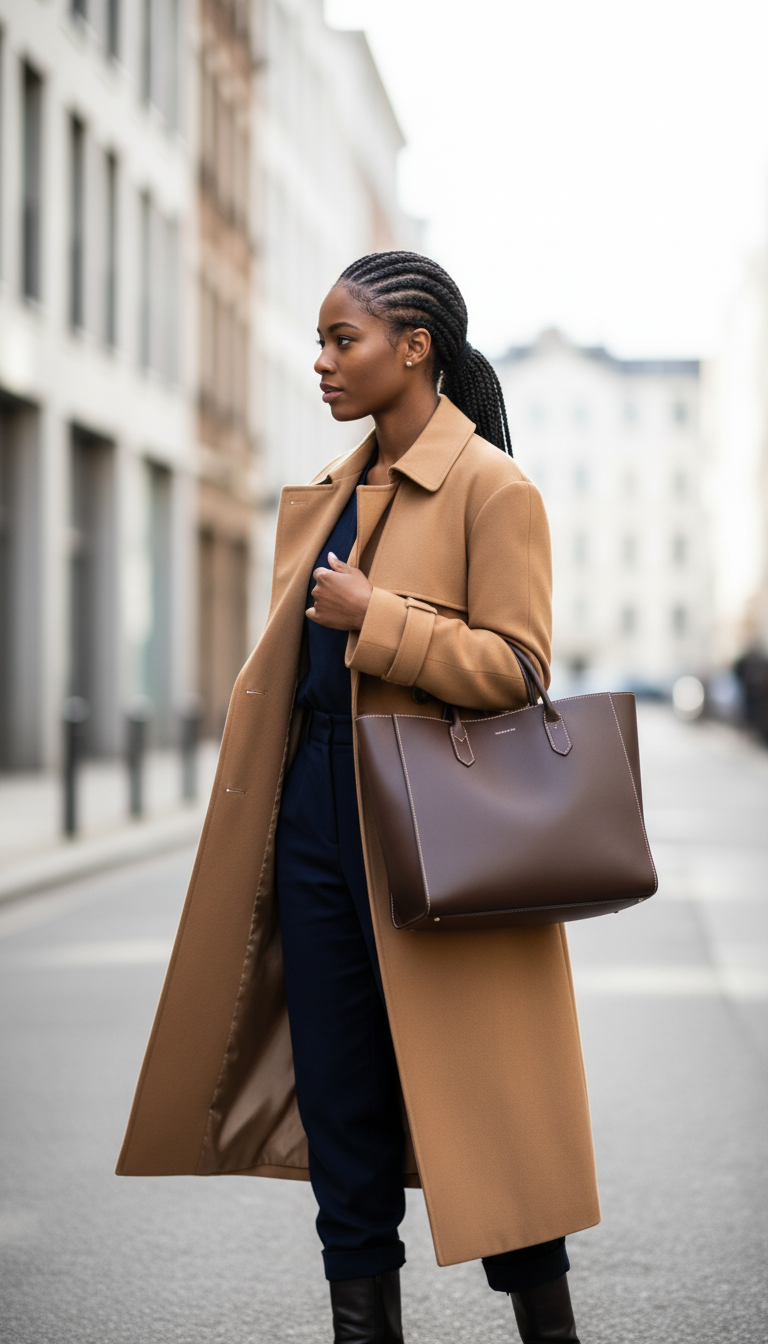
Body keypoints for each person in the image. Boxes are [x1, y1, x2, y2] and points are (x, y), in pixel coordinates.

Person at [117, 252, 600, 1343]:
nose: (323, 362)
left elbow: (519, 670)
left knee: (487, 1109)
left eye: (345, 339)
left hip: (438, 824)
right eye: (324, 340)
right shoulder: (335, 490)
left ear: (415, 347)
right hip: (317, 821)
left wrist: (379, 617)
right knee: (342, 1101)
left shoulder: (493, 487)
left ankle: (550, 1330)